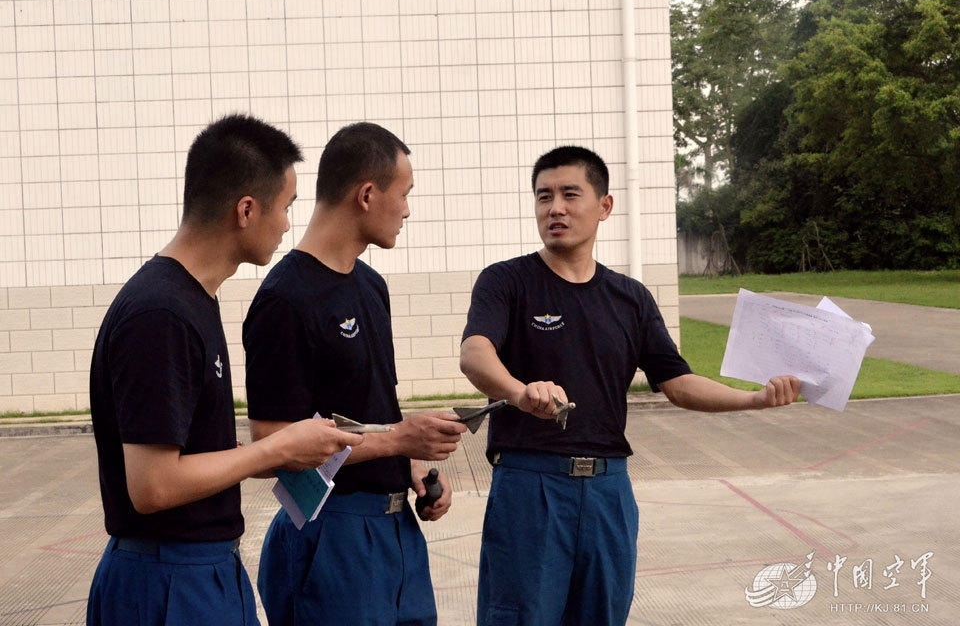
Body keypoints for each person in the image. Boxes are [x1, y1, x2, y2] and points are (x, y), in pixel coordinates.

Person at [459, 146, 800, 626]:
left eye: (569, 194)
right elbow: (474, 354)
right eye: (543, 196)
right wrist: (519, 391)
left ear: (604, 206)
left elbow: (677, 382)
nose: (554, 207)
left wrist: (756, 398)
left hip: (608, 492)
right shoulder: (506, 282)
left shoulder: (631, 298)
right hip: (530, 488)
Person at [86, 114, 362, 626]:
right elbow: (153, 487)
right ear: (246, 210)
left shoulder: (192, 300)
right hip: (166, 583)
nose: (286, 224)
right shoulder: (161, 314)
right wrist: (273, 448)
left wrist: (278, 453)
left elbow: (189, 455)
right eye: (285, 207)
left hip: (205, 571)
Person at [243, 122, 469, 626]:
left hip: (396, 530)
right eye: (404, 194)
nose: (408, 209)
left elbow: (373, 411)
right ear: (367, 194)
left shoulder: (371, 286)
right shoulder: (285, 300)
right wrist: (398, 440)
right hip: (331, 533)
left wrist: (411, 463)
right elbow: (273, 442)